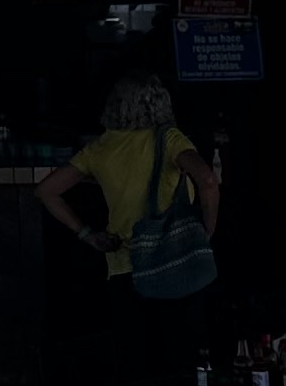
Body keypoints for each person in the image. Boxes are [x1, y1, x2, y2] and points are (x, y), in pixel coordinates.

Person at [38, 70, 221, 292]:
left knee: (133, 327)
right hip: (179, 258)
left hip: (127, 266)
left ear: (114, 104)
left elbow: (46, 191)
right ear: (162, 102)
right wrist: (207, 232)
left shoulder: (99, 148)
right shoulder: (169, 138)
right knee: (182, 327)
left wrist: (87, 234)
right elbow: (208, 180)